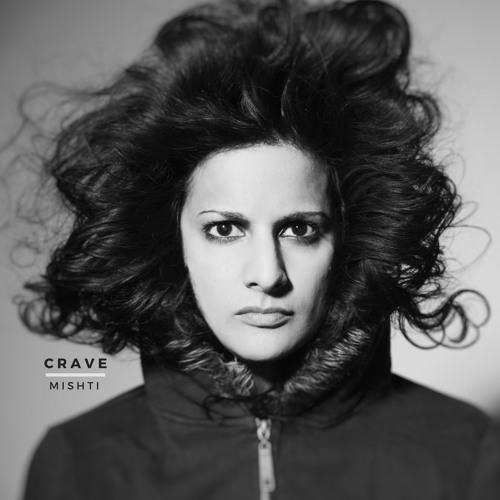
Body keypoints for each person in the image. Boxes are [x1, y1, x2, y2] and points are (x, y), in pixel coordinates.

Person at [19, 0, 500, 498]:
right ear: (169, 238)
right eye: (225, 229)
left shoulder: (463, 452)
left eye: (299, 229)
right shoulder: (78, 463)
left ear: (351, 236)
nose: (268, 275)